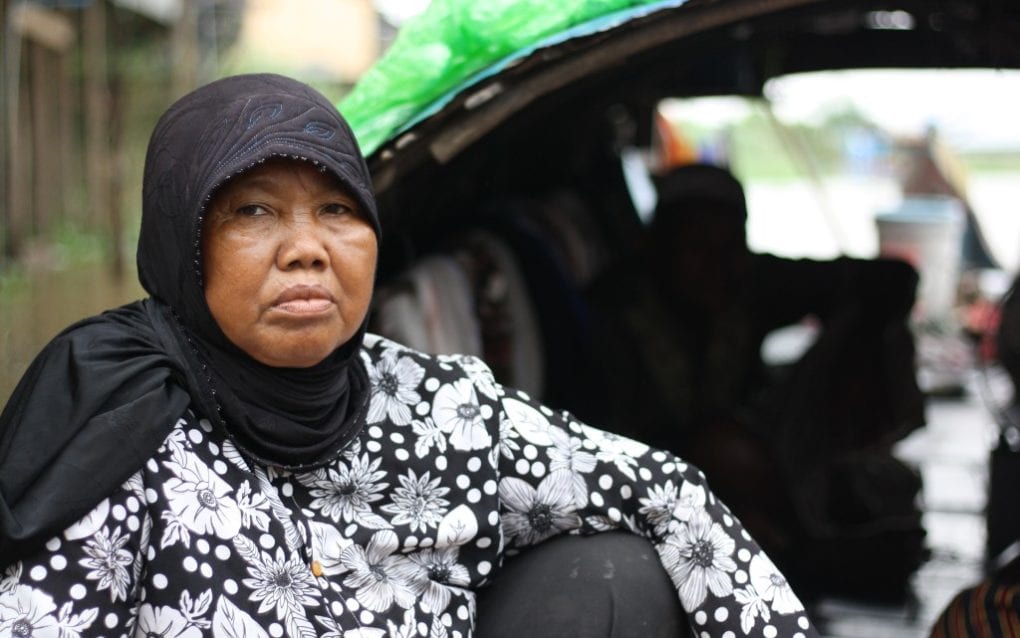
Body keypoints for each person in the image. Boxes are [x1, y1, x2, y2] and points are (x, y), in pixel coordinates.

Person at [0, 75, 817, 637]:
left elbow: (664, 491)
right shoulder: (121, 424)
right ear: (183, 243)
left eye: (336, 209)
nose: (308, 250)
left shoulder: (436, 404)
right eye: (252, 210)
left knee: (617, 573)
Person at [583, 162, 928, 603]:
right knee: (725, 450)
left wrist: (858, 352)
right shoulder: (615, 311)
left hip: (746, 460)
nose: (717, 265)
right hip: (646, 482)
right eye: (697, 246)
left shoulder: (749, 285)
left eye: (730, 247)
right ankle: (804, 549)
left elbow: (890, 278)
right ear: (661, 246)